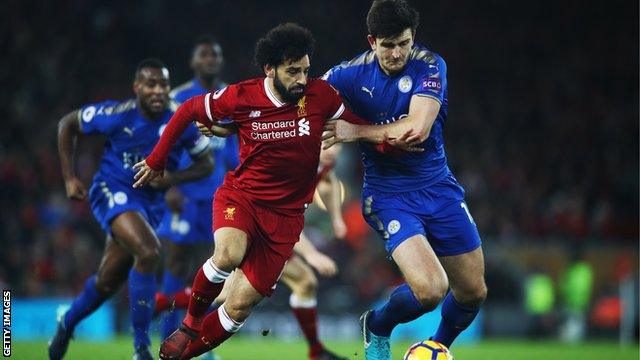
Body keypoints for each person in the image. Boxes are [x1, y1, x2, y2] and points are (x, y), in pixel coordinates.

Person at [132, 23, 401, 360]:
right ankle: (188, 325)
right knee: (228, 255)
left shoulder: (321, 96)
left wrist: (391, 139)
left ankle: (179, 356)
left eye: (305, 69)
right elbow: (188, 110)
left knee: (239, 308)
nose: (302, 79)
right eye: (293, 71)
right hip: (243, 198)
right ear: (269, 69)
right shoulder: (241, 95)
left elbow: (360, 127)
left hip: (285, 220)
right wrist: (157, 161)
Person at [321, 1, 488, 358]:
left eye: (403, 43)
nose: (397, 53)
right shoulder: (348, 75)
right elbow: (298, 102)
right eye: (388, 45)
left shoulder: (430, 64)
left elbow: (417, 129)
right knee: (430, 289)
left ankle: (436, 347)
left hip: (439, 189)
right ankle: (378, 325)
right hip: (388, 195)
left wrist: (355, 131)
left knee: (473, 291)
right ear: (372, 41)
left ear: (412, 39)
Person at [49, 59, 214, 360]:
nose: (158, 91)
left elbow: (207, 163)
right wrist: (70, 177)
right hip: (112, 191)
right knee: (150, 251)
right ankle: (141, 349)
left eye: (163, 85)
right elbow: (67, 124)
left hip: (150, 205)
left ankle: (66, 322)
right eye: (151, 84)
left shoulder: (180, 121)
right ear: (137, 87)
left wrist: (171, 180)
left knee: (107, 281)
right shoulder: (116, 114)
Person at [154, 35, 240, 343]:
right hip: (186, 195)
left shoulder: (229, 97)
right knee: (177, 263)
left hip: (219, 198)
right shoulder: (178, 98)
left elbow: (233, 151)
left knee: (214, 268)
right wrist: (168, 186)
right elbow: (164, 144)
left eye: (215, 55)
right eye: (204, 55)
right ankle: (167, 334)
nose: (210, 60)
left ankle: (196, 337)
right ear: (193, 62)